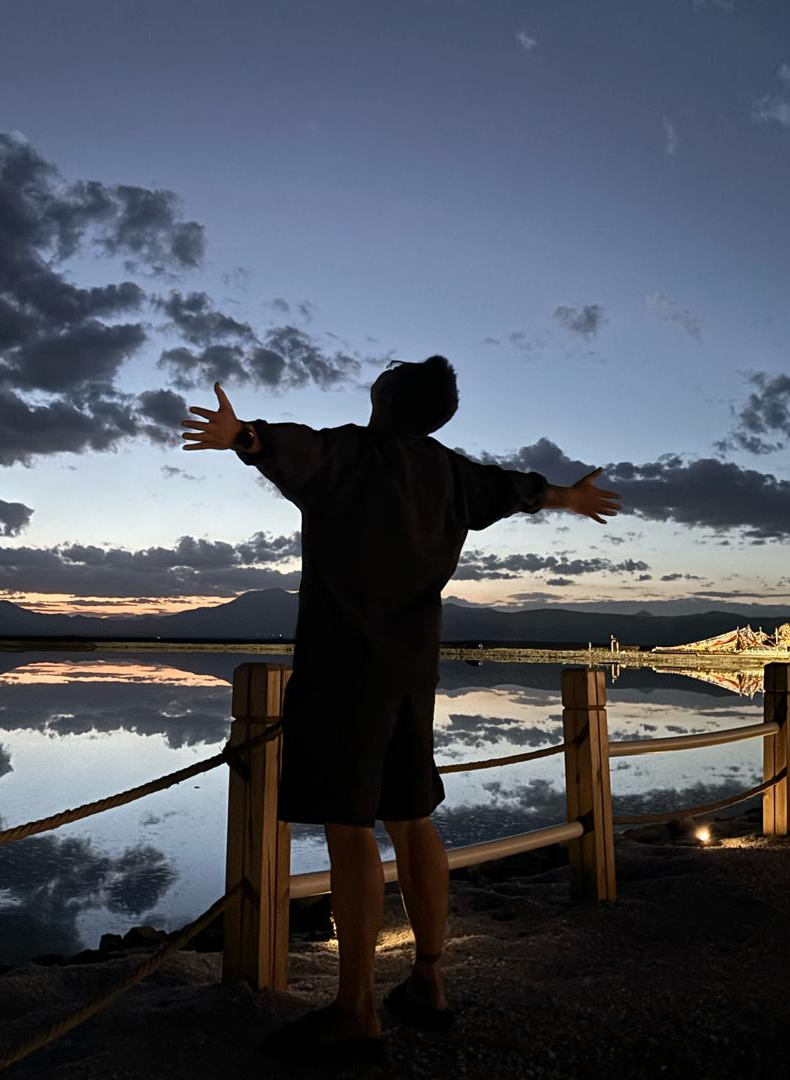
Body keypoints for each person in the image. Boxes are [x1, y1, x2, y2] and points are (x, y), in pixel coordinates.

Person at [180, 357, 621, 1062]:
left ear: (387, 399)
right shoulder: (451, 474)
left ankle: (356, 1010)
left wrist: (244, 436)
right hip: (413, 672)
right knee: (412, 820)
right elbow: (516, 490)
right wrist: (571, 497)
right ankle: (427, 983)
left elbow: (301, 448)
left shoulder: (356, 452)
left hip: (343, 668)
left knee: (350, 828)